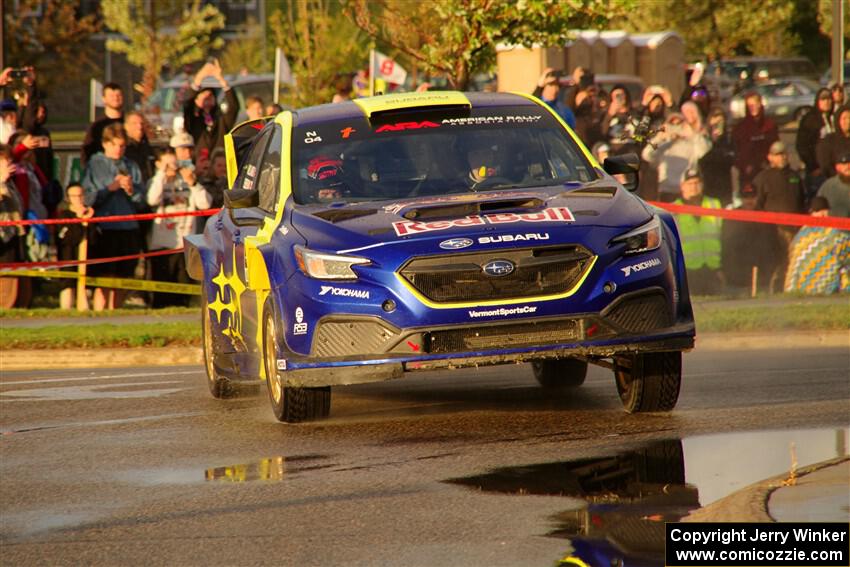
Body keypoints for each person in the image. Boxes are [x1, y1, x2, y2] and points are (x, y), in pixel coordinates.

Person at [81, 123, 145, 311]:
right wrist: (111, 188)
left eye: (122, 145)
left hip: (128, 227)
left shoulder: (131, 165)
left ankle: (115, 313)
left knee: (123, 276)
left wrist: (131, 191)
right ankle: (101, 313)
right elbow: (88, 197)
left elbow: (142, 200)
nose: (118, 149)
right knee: (104, 277)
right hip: (105, 228)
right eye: (114, 145)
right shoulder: (95, 164)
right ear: (105, 144)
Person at [146, 149, 211, 307]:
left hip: (184, 243)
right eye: (167, 164)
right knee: (162, 292)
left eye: (174, 163)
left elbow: (205, 204)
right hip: (162, 244)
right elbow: (152, 199)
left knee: (184, 290)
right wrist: (162, 175)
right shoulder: (156, 182)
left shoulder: (187, 182)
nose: (172, 168)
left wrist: (193, 183)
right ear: (158, 164)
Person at [752, 141, 805, 293]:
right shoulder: (763, 178)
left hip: (794, 229)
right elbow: (757, 205)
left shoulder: (795, 176)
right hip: (772, 230)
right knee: (775, 261)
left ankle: (791, 289)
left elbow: (802, 201)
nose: (782, 157)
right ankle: (771, 289)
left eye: (784, 154)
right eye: (777, 154)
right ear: (769, 157)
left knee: (793, 260)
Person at [784, 196, 850, 294]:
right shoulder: (831, 234)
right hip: (824, 285)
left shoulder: (800, 235)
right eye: (819, 211)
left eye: (824, 211)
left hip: (799, 287)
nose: (822, 215)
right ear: (812, 213)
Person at [673, 168, 723, 295]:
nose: (694, 187)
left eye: (697, 183)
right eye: (690, 183)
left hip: (712, 269)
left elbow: (724, 236)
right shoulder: (673, 210)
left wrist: (722, 268)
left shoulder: (714, 205)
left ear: (702, 185)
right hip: (688, 271)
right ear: (682, 186)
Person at [642, 112, 711, 202]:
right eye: (672, 125)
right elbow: (646, 155)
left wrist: (693, 133)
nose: (676, 128)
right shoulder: (663, 145)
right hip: (667, 191)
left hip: (687, 191)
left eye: (679, 124)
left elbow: (705, 150)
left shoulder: (692, 144)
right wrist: (659, 137)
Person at [183, 59, 239, 160]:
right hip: (200, 162)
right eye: (204, 96)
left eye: (210, 96)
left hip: (220, 162)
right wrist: (199, 78)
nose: (207, 98)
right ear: (197, 101)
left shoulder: (221, 120)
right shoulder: (194, 120)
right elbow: (187, 105)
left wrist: (220, 79)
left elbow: (233, 107)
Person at [732, 91, 778, 196]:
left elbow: (775, 146)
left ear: (760, 104)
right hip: (748, 174)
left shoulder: (770, 125)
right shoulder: (740, 128)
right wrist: (743, 166)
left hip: (767, 170)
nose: (753, 108)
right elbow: (736, 151)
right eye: (749, 105)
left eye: (755, 104)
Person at [56, 183, 94, 310]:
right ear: (68, 198)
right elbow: (69, 239)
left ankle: (84, 311)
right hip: (69, 258)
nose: (78, 199)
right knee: (68, 287)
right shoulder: (63, 215)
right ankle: (65, 313)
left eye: (80, 195)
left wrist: (89, 221)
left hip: (87, 259)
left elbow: (94, 239)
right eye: (74, 196)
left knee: (86, 289)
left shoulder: (91, 214)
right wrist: (79, 220)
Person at [796, 88, 835, 198]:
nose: (827, 102)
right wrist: (813, 167)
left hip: (833, 169)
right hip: (817, 170)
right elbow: (802, 145)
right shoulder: (810, 119)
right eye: (823, 99)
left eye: (829, 99)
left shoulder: (834, 118)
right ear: (818, 101)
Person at [699, 108, 736, 206]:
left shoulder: (729, 139)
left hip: (725, 184)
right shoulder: (703, 139)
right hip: (708, 183)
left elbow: (732, 159)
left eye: (720, 122)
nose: (717, 126)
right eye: (715, 123)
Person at [81, 82, 124, 166]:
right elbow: (87, 151)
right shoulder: (97, 126)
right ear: (104, 99)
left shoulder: (130, 123)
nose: (116, 98)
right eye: (111, 96)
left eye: (118, 95)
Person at [815, 104, 850, 179]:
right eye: (844, 118)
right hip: (837, 180)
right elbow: (825, 165)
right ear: (838, 120)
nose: (848, 121)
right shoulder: (828, 141)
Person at [123, 111, 156, 183]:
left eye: (142, 123)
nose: (140, 127)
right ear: (126, 126)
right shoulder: (122, 148)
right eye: (134, 123)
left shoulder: (148, 146)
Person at [816, 152, 850, 218]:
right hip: (835, 224)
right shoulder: (827, 187)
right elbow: (818, 212)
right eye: (844, 164)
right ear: (837, 167)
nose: (848, 166)